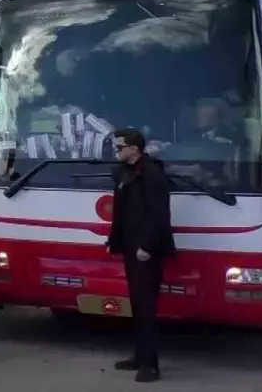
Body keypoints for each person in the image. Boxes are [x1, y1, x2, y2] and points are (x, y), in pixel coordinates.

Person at [106, 128, 174, 383]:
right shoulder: (125, 173)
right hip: (131, 247)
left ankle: (151, 365)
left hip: (147, 251)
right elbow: (122, 213)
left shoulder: (152, 174)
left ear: (134, 149)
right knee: (137, 305)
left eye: (119, 147)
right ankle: (139, 356)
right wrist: (115, 241)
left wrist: (147, 246)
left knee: (146, 308)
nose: (117, 152)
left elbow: (160, 216)